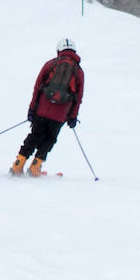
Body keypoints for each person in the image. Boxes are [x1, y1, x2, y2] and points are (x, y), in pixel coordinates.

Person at [11, 39, 85, 177]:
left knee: (34, 136)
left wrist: (32, 108)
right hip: (60, 114)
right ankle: (35, 167)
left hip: (41, 110)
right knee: (50, 139)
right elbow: (78, 97)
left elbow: (37, 87)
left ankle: (18, 164)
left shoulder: (50, 64)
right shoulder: (79, 71)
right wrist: (72, 116)